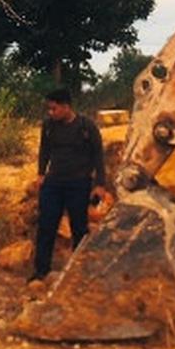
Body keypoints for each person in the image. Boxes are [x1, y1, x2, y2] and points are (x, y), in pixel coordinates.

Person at [30, 88, 110, 282]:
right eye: (49, 109)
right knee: (46, 226)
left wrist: (100, 183)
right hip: (54, 183)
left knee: (79, 229)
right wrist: (41, 173)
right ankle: (41, 272)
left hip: (79, 184)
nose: (51, 113)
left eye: (54, 109)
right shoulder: (49, 126)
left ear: (66, 107)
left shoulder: (86, 126)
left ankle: (79, 273)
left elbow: (98, 155)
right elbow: (44, 150)